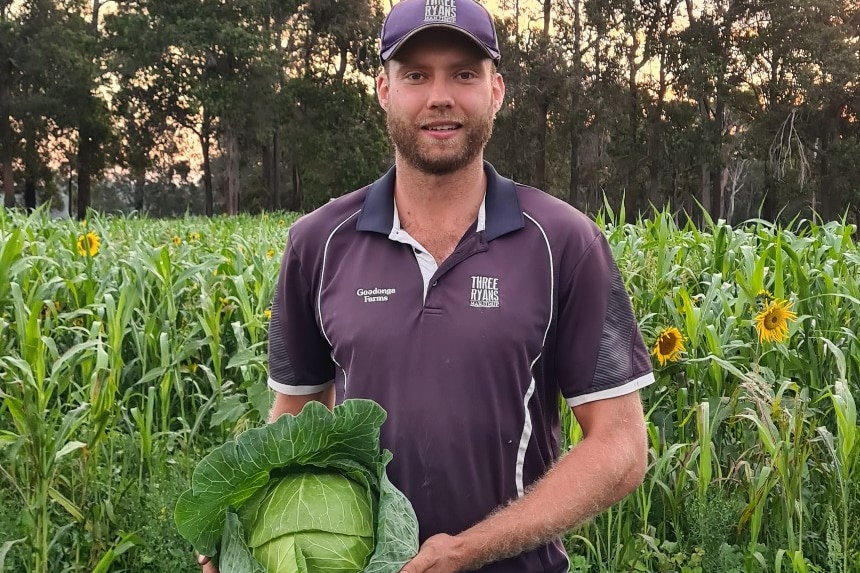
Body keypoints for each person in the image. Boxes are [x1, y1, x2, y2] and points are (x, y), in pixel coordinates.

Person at [198, 0, 654, 571]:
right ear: (384, 91)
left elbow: (621, 446)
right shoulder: (318, 244)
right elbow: (292, 424)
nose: (441, 96)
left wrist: (470, 549)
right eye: (416, 74)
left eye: (464, 73)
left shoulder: (564, 243)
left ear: (497, 90)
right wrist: (242, 532)